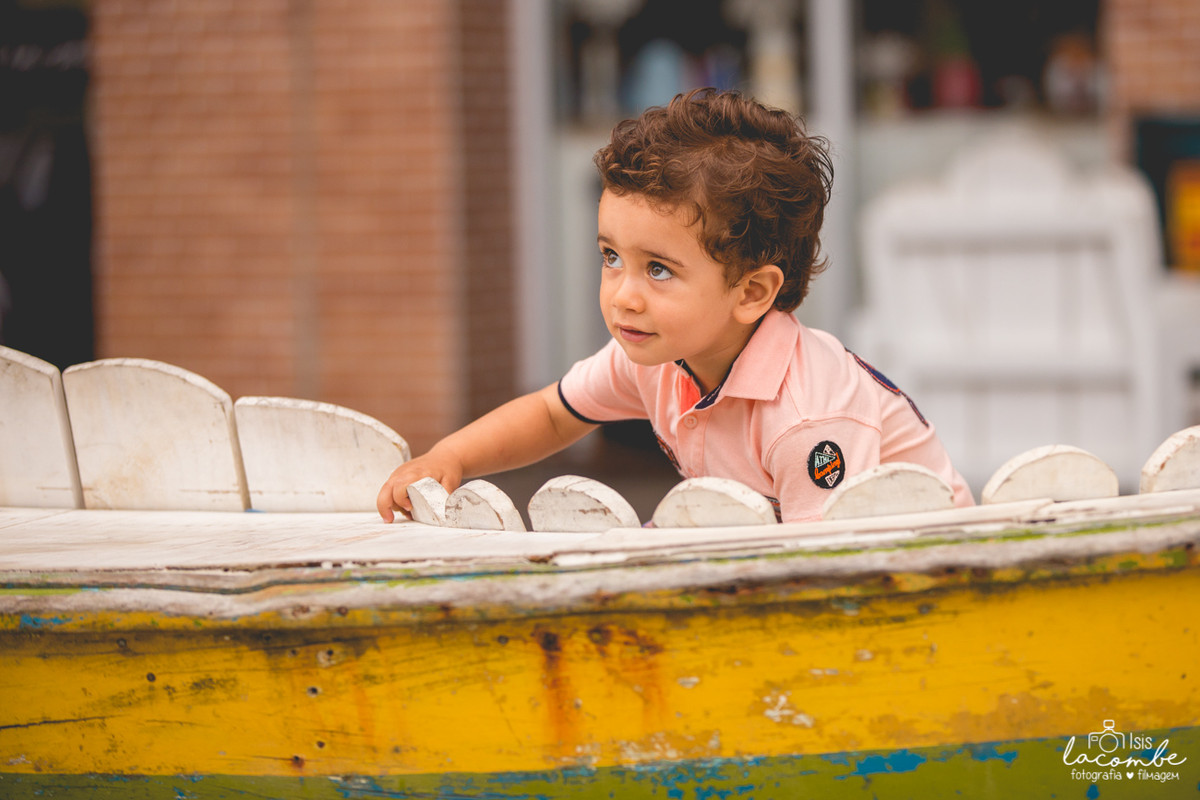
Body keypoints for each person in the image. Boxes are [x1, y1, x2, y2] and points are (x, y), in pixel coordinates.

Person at [377, 88, 972, 524]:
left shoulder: (808, 420)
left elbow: (823, 570)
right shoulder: (653, 355)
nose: (623, 294)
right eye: (612, 257)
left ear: (752, 293)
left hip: (931, 580)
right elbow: (554, 415)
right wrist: (450, 455)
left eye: (658, 269)